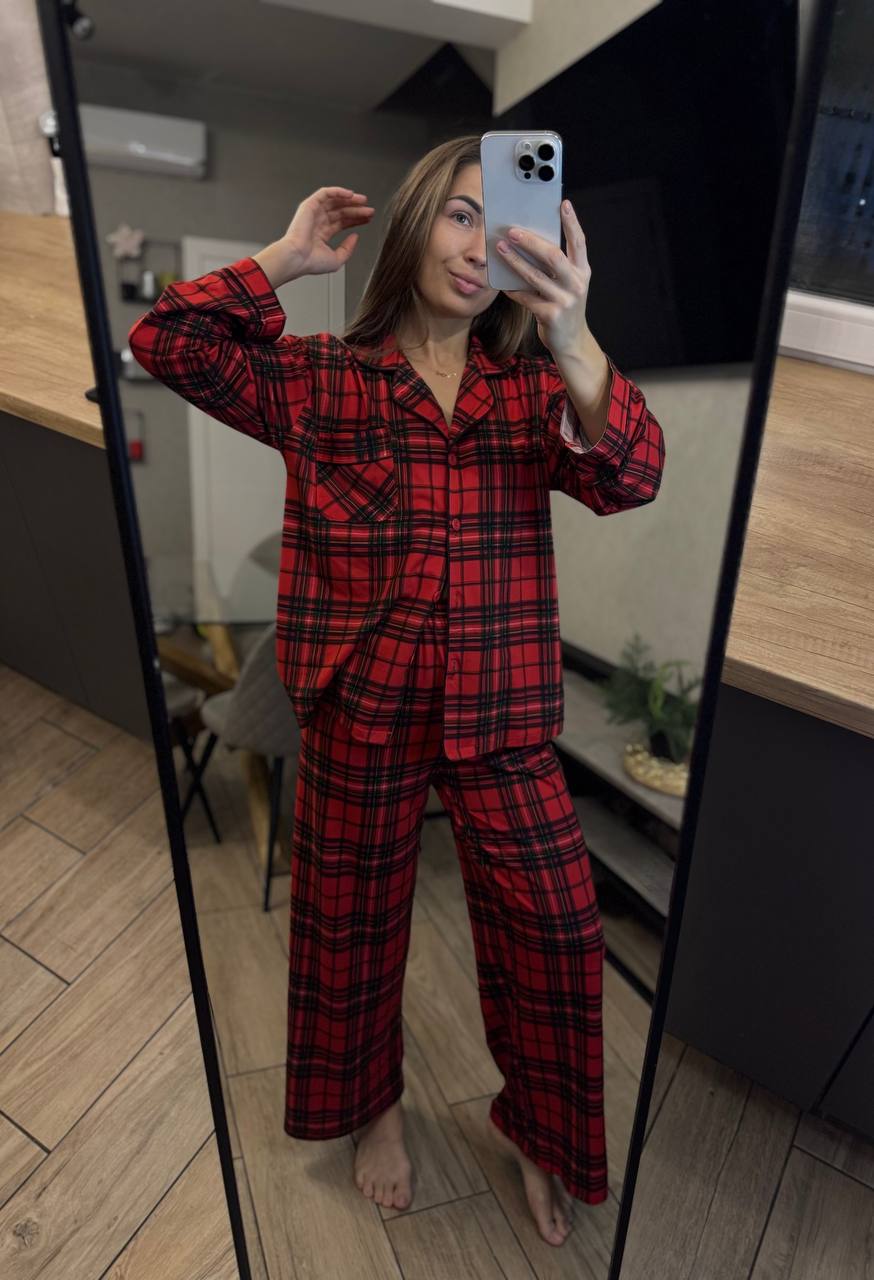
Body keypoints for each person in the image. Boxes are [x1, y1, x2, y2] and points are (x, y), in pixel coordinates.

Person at [128, 134, 665, 1248]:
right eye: (461, 214)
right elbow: (164, 339)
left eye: (500, 222)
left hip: (501, 711)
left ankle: (539, 1128)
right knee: (348, 931)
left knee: (560, 930)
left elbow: (633, 475)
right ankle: (372, 1109)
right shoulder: (323, 378)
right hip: (359, 708)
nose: (479, 246)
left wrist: (574, 335)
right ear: (415, 222)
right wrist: (283, 260)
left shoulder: (533, 392)